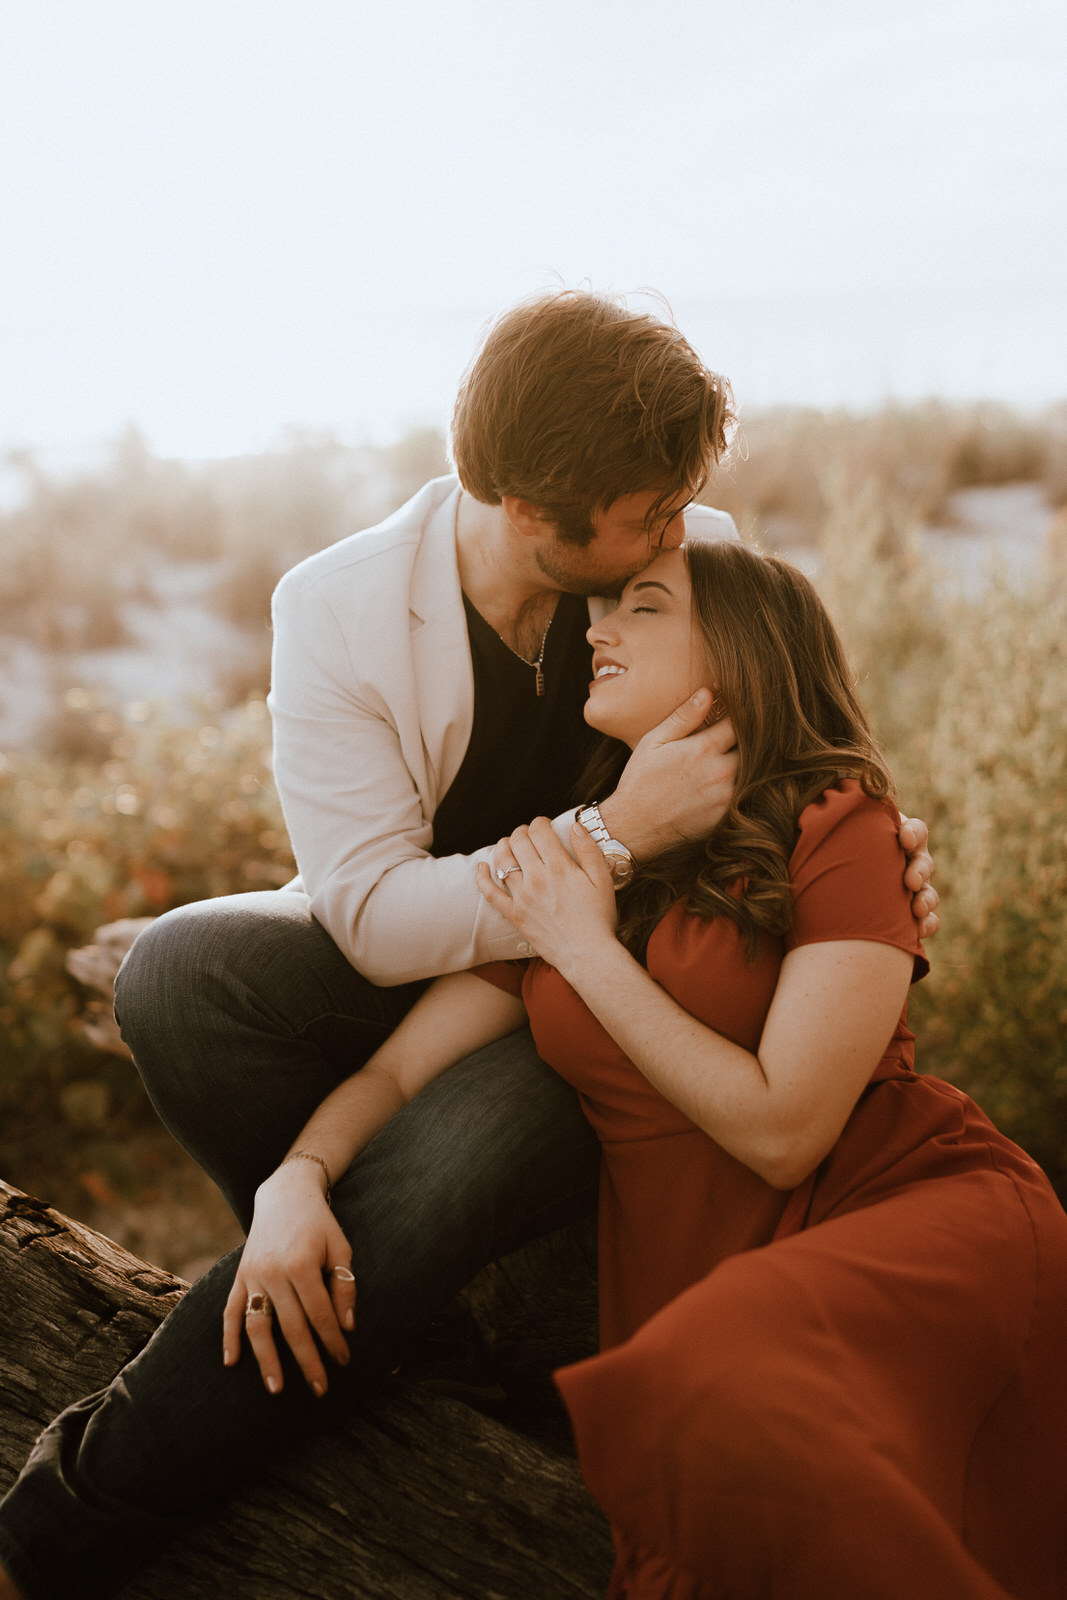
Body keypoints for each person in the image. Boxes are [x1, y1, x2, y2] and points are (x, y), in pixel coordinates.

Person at [0, 293, 937, 1600]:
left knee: (446, 1167)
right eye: (647, 513)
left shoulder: (691, 557)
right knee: (176, 974)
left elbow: (796, 761)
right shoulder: (337, 608)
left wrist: (873, 877)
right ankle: (376, 1302)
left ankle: (70, 1513)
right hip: (431, 959)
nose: (680, 530)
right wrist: (608, 835)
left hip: (592, 1003)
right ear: (530, 512)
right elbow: (373, 919)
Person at [224, 538, 1067, 1600]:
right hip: (691, 1284)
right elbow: (394, 1079)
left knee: (741, 1397)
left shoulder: (836, 822)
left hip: (898, 1215)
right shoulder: (576, 860)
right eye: (598, 610)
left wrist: (580, 945)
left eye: (642, 606)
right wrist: (294, 1178)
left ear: (739, 655)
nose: (596, 628)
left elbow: (782, 1131)